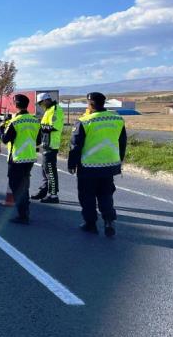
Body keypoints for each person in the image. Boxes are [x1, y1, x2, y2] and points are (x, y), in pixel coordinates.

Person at [68, 92, 126, 237]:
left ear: (90, 104)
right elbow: (122, 142)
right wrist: (119, 159)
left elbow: (75, 146)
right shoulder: (117, 119)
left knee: (87, 196)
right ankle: (109, 221)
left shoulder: (84, 121)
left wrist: (71, 164)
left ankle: (90, 223)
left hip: (89, 166)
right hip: (109, 165)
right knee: (106, 195)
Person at [1, 94, 41, 224]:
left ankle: (23, 215)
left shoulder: (15, 121)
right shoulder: (35, 120)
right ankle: (25, 211)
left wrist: (1, 129)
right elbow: (39, 140)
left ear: (15, 105)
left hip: (17, 158)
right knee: (24, 185)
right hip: (30, 157)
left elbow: (5, 139)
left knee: (16, 186)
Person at [31, 92, 64, 204]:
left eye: (41, 103)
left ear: (46, 100)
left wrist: (39, 125)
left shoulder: (55, 110)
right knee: (45, 170)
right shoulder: (48, 110)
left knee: (50, 170)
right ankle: (44, 190)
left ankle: (53, 195)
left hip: (51, 145)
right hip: (46, 144)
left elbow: (54, 127)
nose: (40, 105)